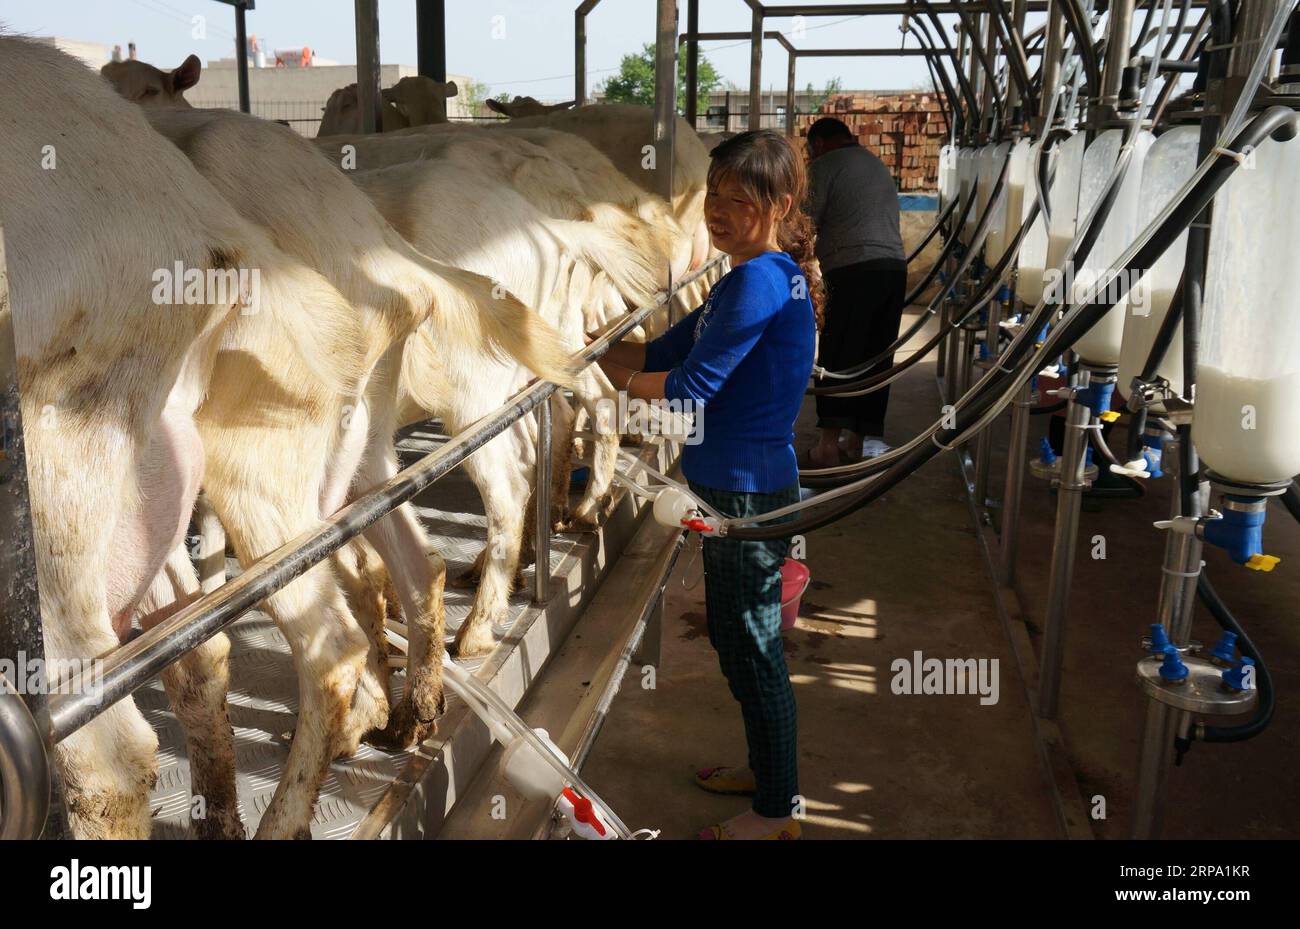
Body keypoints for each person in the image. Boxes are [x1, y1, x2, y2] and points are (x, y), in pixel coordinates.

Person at [594, 129, 820, 840]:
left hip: (745, 491)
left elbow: (687, 384)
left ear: (779, 204)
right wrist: (593, 340)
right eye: (712, 196)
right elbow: (666, 347)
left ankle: (778, 810)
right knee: (733, 632)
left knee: (751, 642)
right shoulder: (746, 275)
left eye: (737, 200)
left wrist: (613, 378)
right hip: (729, 484)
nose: (717, 213)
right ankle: (769, 767)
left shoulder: (757, 281)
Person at [804, 116, 907, 464]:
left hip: (852, 271)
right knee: (875, 356)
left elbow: (805, 222)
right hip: (893, 270)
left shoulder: (825, 165)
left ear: (817, 145)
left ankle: (828, 445)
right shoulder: (875, 164)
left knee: (839, 353)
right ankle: (856, 442)